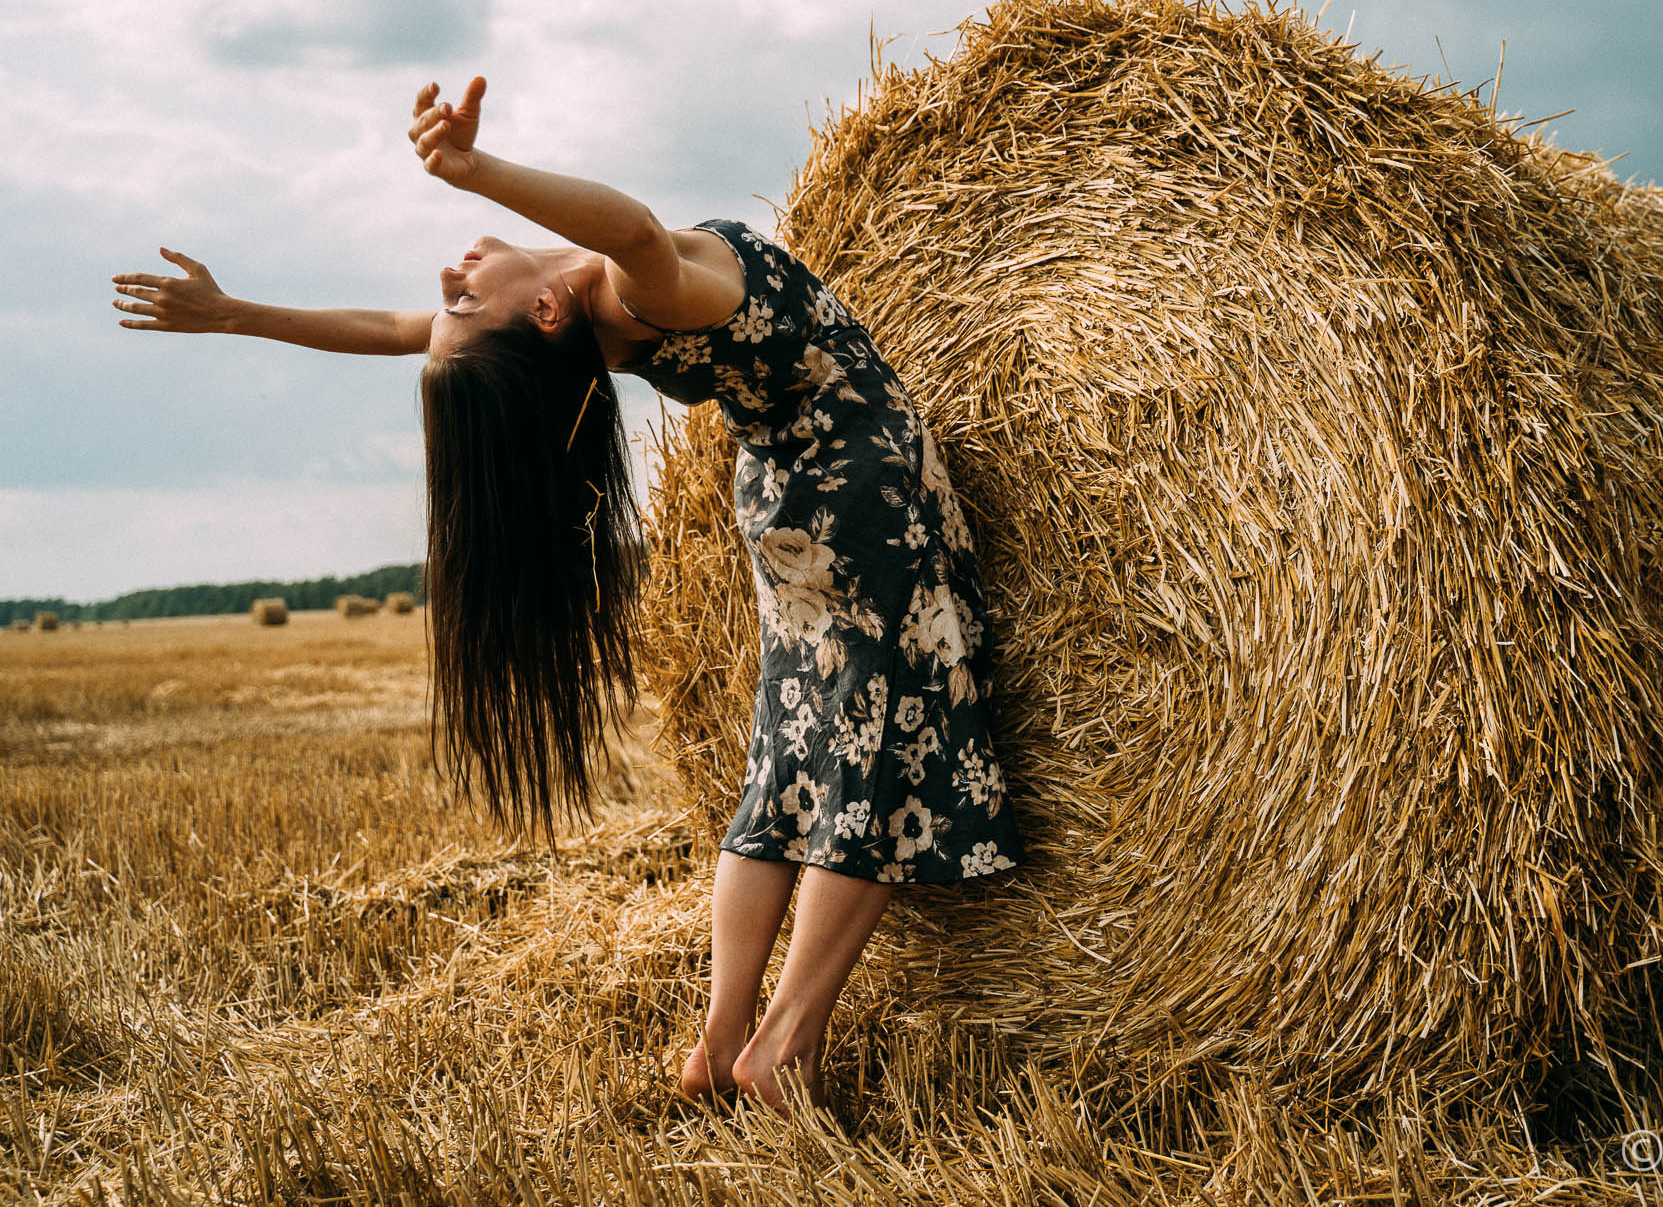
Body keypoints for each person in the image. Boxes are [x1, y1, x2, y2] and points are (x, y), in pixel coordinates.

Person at [109, 76, 1029, 1116]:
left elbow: (398, 326)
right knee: (881, 750)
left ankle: (717, 1038)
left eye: (454, 299)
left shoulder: (595, 327)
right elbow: (630, 228)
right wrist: (472, 170)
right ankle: (783, 1046)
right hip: (863, 503)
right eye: (465, 299)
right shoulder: (642, 297)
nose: (448, 279)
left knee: (789, 756)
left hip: (781, 506)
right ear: (543, 311)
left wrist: (236, 313)